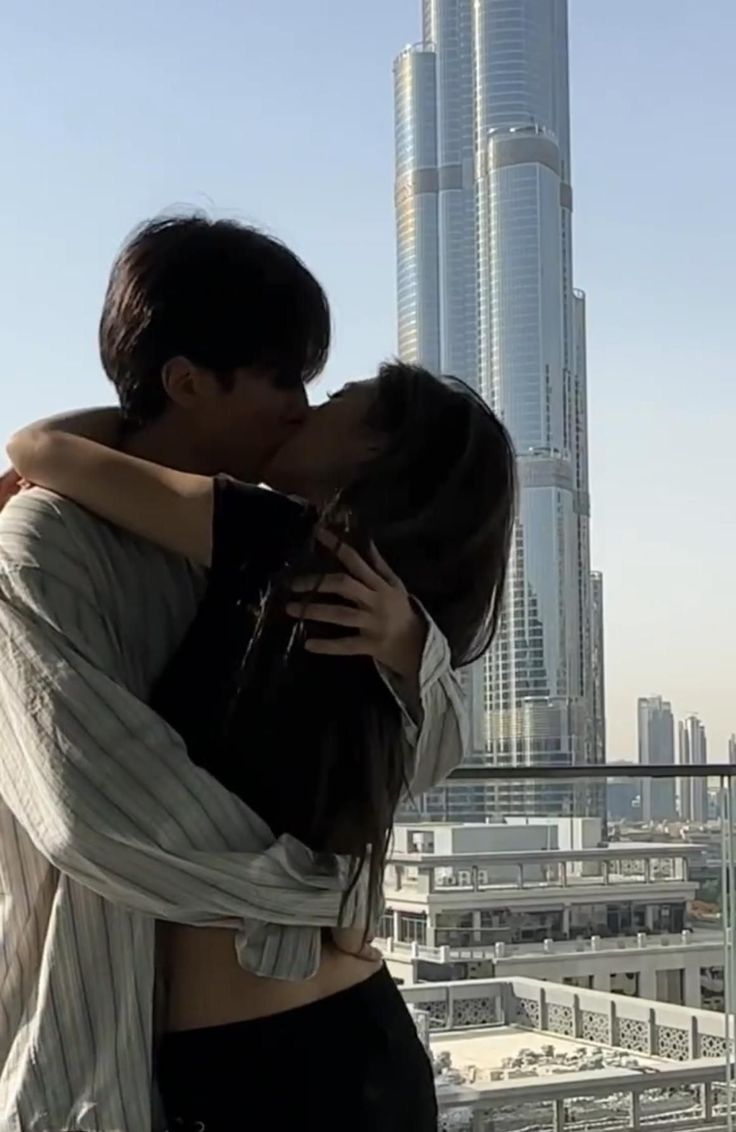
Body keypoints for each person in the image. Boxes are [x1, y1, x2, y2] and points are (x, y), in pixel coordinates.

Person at [0, 216, 470, 1132]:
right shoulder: (46, 545)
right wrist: (330, 895)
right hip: (108, 1054)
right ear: (186, 381)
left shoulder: (288, 547)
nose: (304, 406)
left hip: (331, 1048)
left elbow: (432, 751)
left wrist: (412, 642)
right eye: (282, 376)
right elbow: (98, 814)